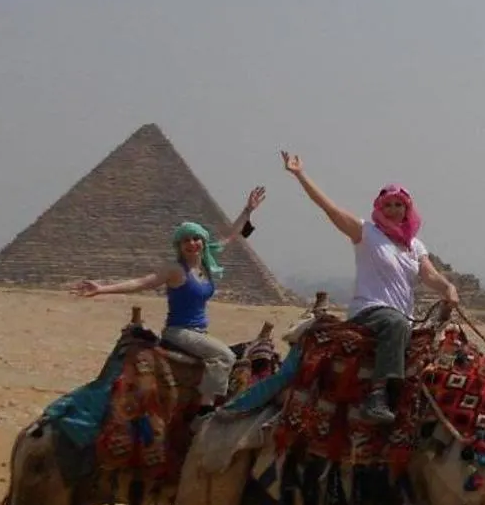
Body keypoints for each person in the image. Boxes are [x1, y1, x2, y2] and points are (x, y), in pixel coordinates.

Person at [280, 151, 458, 424]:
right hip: (371, 310)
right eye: (388, 205)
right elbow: (330, 209)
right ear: (379, 207)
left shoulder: (414, 246)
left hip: (403, 317)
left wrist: (447, 288)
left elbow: (430, 275)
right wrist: (300, 174)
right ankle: (376, 395)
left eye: (400, 205)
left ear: (407, 209)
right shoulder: (366, 233)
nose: (394, 210)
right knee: (396, 324)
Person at [74, 186, 266, 401]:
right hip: (179, 332)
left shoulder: (207, 263)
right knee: (225, 356)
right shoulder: (175, 269)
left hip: (199, 333)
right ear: (179, 245)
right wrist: (102, 289)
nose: (192, 243)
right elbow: (143, 282)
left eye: (196, 238)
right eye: (186, 240)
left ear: (203, 241)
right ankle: (208, 407)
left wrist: (248, 210)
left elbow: (231, 236)